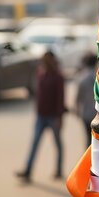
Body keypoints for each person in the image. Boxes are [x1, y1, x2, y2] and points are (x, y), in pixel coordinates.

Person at [16, 51, 66, 182]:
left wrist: (60, 118)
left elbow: (60, 98)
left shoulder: (57, 76)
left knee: (58, 144)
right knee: (34, 144)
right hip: (41, 116)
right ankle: (27, 171)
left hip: (53, 116)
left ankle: (59, 169)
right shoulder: (41, 73)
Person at [75, 52, 97, 148]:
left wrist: (77, 110)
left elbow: (78, 98)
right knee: (96, 140)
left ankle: (87, 161)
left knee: (88, 139)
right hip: (97, 114)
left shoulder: (81, 78)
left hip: (86, 114)